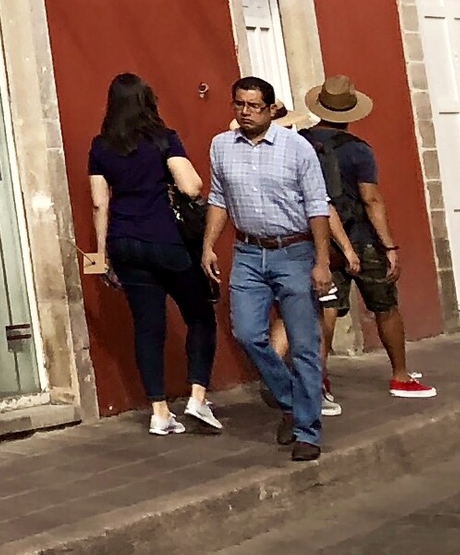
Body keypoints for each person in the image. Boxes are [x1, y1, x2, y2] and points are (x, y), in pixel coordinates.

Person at [202, 74, 352, 461]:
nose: (246, 112)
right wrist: (208, 245)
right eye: (239, 104)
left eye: (253, 106)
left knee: (304, 344)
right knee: (247, 332)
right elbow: (219, 197)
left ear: (270, 109)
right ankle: (291, 401)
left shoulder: (297, 149)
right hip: (248, 252)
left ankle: (307, 431)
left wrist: (322, 262)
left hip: (294, 251)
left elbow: (317, 206)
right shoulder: (221, 146)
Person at [79, 70, 221, 434]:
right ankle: (198, 397)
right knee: (200, 315)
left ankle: (159, 412)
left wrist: (101, 255)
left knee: (147, 326)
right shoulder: (163, 139)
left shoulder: (101, 147)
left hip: (124, 243)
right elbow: (192, 187)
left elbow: (99, 203)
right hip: (166, 239)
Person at [299, 75, 437, 401]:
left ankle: (318, 378)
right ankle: (400, 375)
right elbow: (371, 199)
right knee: (385, 306)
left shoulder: (300, 143)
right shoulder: (358, 150)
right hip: (361, 237)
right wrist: (389, 246)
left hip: (319, 238)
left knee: (324, 309)